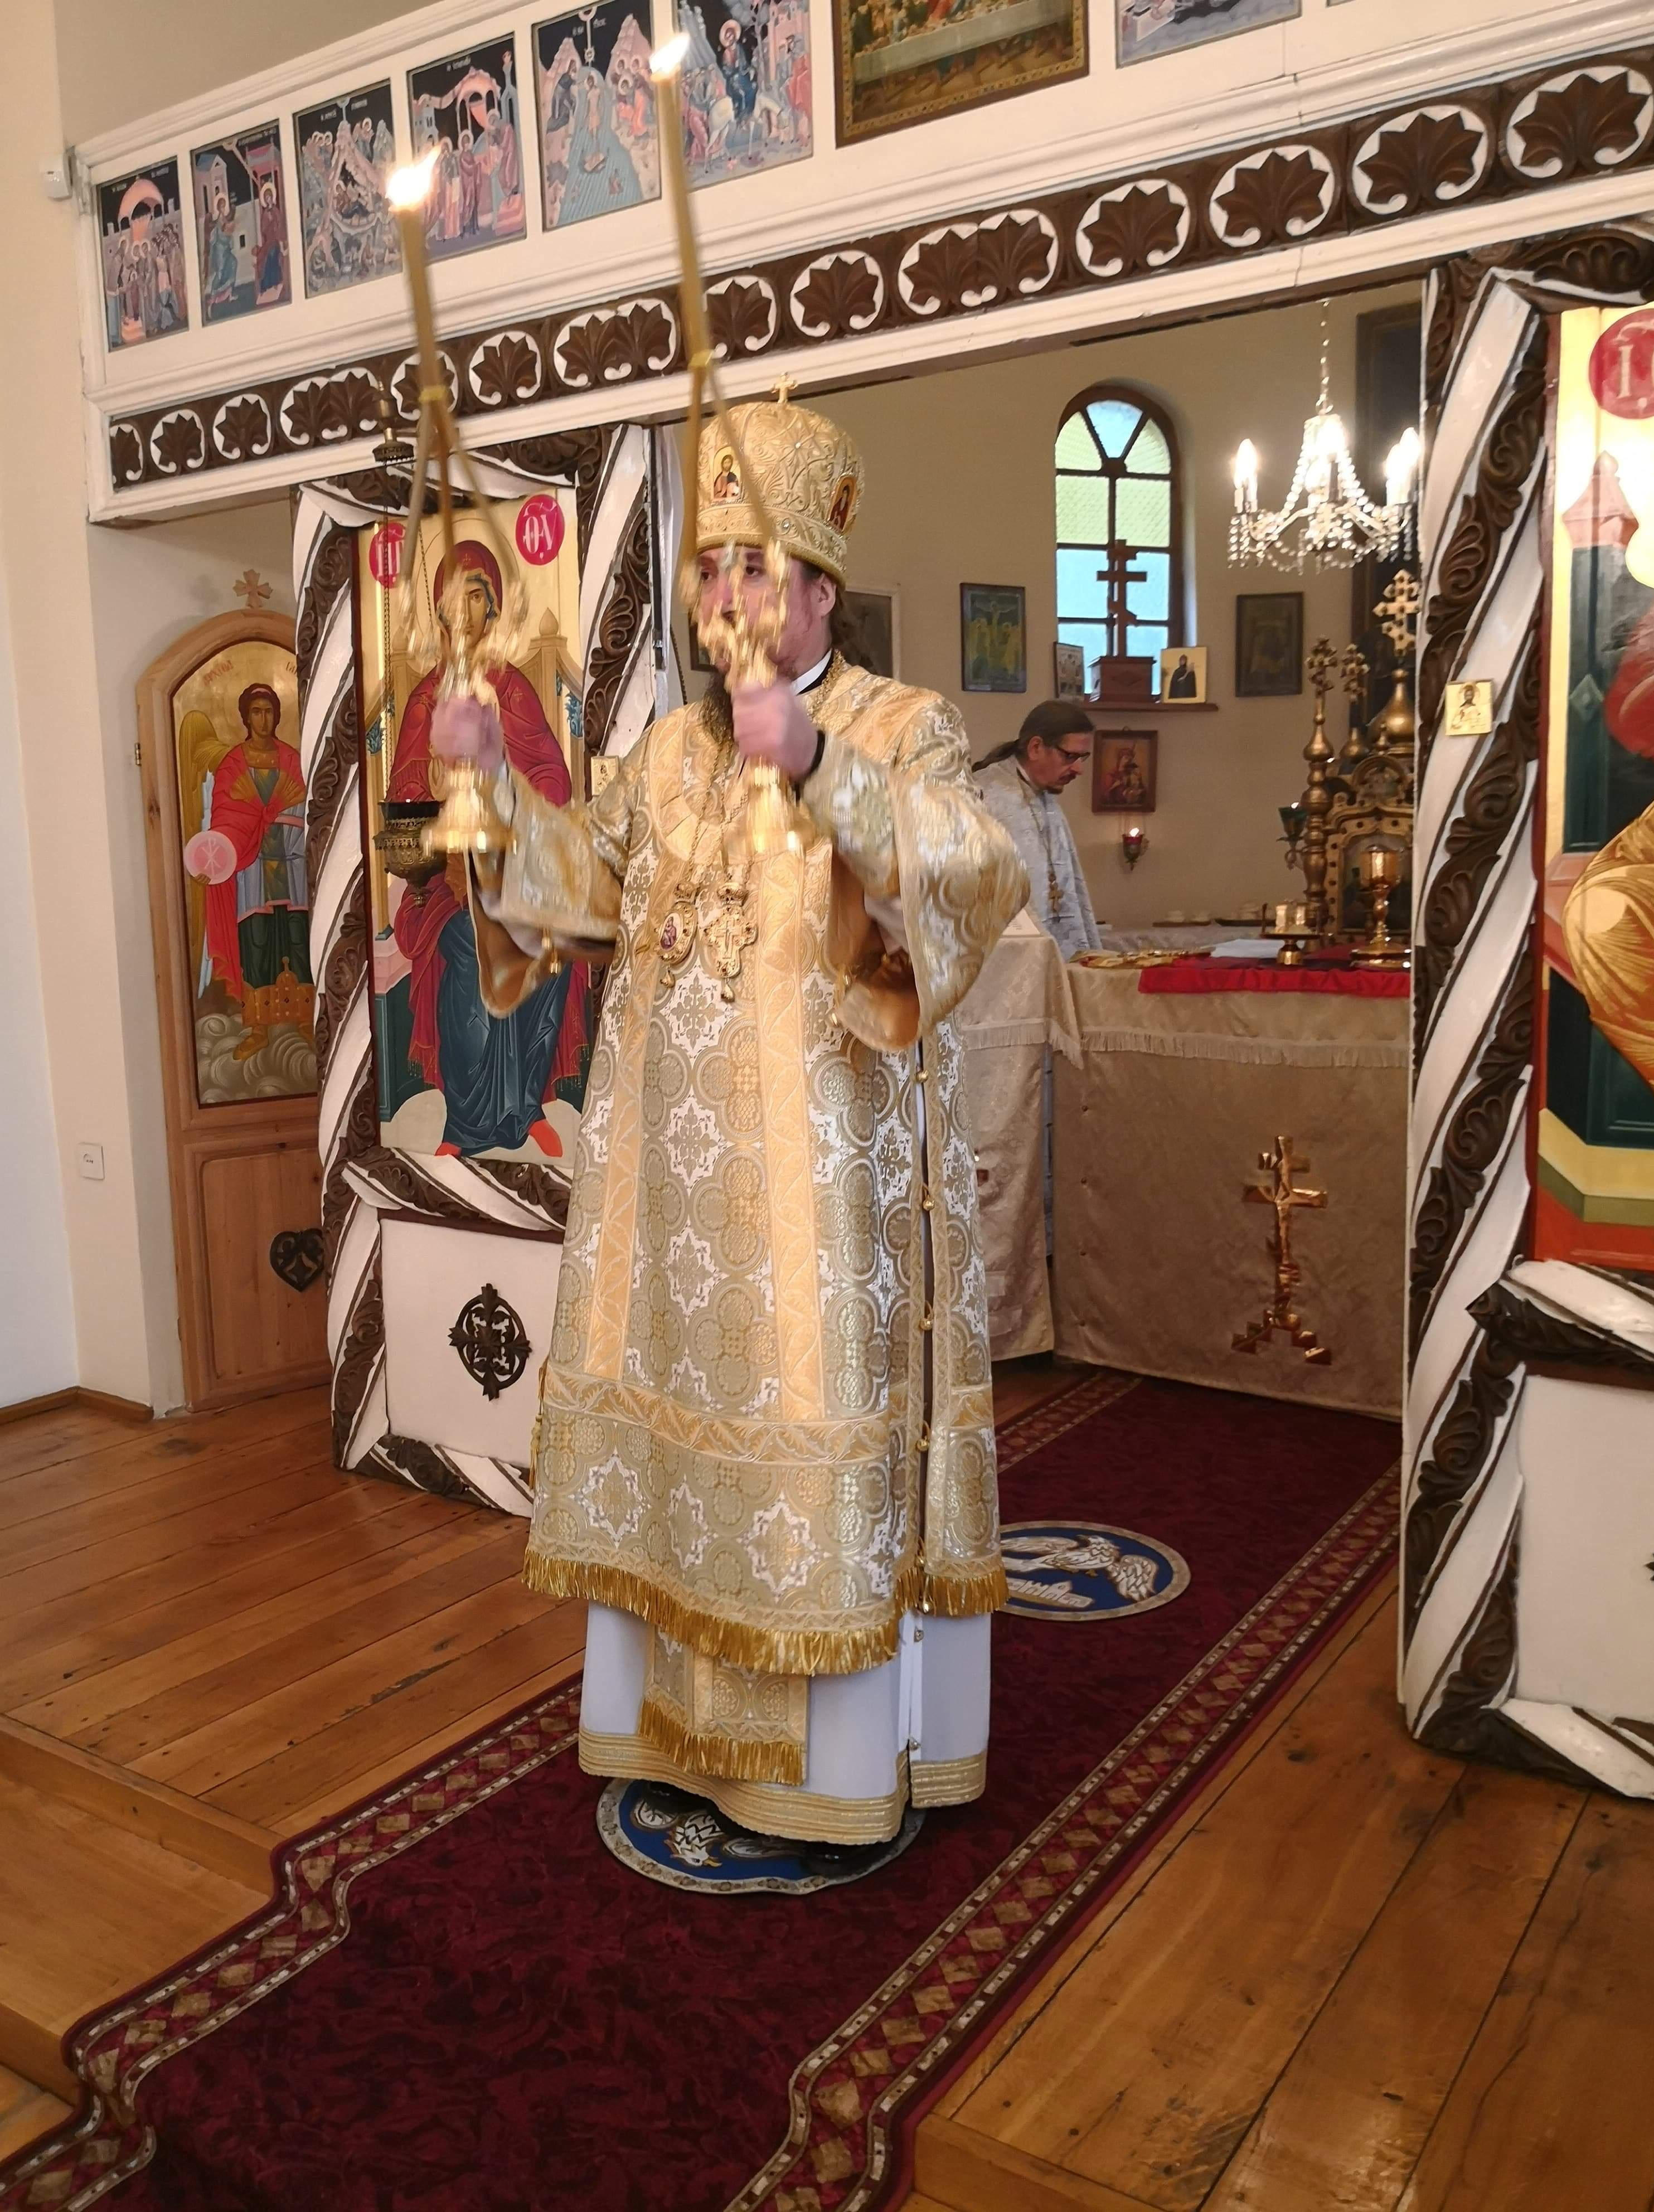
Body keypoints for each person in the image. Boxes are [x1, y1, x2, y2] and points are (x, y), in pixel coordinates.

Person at [439, 395, 1028, 1845]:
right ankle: (667, 1736)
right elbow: (576, 893)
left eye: (754, 567)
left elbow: (968, 883)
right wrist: (491, 792)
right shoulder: (664, 752)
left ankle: (836, 1778)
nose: (725, 595)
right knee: (670, 1450)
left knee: (808, 1443)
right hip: (666, 1211)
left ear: (821, 588)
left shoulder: (904, 726)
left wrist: (819, 764)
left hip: (821, 1217)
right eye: (709, 569)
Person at [386, 541, 586, 1156]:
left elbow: (553, 775)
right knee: (477, 949)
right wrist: (436, 789)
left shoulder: (512, 688)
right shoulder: (425, 699)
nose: (465, 611)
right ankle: (467, 1124)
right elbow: (404, 804)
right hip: (446, 882)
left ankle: (525, 1107)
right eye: (454, 599)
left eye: (476, 596)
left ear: (493, 606)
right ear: (440, 611)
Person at [191, 683, 313, 1061]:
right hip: (252, 869)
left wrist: (279, 820)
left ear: (277, 715)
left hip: (292, 865)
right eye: (256, 712)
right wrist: (212, 859)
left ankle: (306, 1019)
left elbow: (308, 808)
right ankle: (258, 1027)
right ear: (246, 717)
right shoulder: (233, 765)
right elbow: (225, 818)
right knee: (256, 942)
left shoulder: (291, 760)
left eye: (269, 711)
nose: (263, 719)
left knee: (297, 939)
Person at [976, 701, 1102, 961]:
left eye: (1083, 758)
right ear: (1035, 748)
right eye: (1070, 757)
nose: (1079, 769)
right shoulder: (985, 797)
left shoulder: (1046, 801)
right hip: (1006, 960)